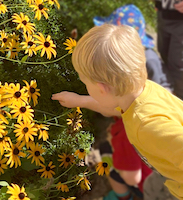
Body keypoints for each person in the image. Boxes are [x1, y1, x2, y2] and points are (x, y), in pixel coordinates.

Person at [51, 24, 183, 200]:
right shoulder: (140, 91)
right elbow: (113, 108)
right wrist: (79, 100)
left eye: (85, 84)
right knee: (152, 186)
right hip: (168, 173)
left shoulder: (147, 124)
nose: (86, 88)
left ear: (101, 89)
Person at [155, 0, 183, 99]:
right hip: (163, 13)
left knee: (177, 63)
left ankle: (180, 102)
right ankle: (172, 97)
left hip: (180, 20)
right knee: (164, 54)